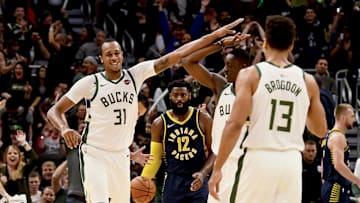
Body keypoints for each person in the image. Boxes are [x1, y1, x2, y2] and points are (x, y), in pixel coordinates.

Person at [47, 18, 244, 203]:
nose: (114, 57)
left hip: (121, 155)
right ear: (101, 58)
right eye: (109, 54)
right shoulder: (90, 83)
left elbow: (176, 55)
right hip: (95, 154)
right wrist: (64, 129)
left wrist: (215, 36)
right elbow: (54, 111)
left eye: (117, 53)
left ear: (122, 55)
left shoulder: (135, 75)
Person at [208, 15, 328, 203]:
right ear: (291, 45)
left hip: (259, 157)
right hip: (291, 162)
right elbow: (321, 130)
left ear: (265, 43)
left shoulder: (251, 75)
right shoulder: (308, 81)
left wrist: (218, 168)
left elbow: (234, 124)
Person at [182, 36, 250, 202]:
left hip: (242, 165)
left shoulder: (254, 93)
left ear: (244, 67)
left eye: (229, 65)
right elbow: (188, 61)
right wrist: (220, 44)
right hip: (221, 164)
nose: (225, 70)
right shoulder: (221, 87)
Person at [141, 79, 214, 202]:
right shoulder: (159, 123)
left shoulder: (203, 119)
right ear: (170, 96)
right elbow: (155, 158)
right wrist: (143, 180)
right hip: (173, 180)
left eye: (183, 95)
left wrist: (203, 173)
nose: (179, 98)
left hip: (198, 179)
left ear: (190, 96)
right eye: (175, 95)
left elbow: (214, 151)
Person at [321, 103, 360, 203]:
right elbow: (338, 165)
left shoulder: (329, 135)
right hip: (335, 188)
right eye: (351, 116)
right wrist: (357, 181)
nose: (354, 120)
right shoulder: (338, 137)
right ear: (343, 117)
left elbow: (323, 163)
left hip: (331, 186)